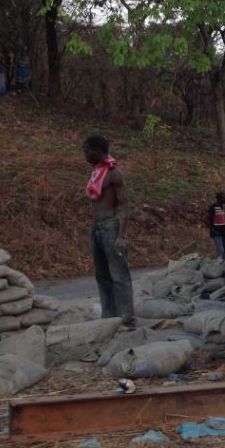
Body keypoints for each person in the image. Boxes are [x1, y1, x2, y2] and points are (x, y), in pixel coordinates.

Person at [84, 135, 134, 328]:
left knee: (119, 275)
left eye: (88, 150)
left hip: (111, 227)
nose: (85, 154)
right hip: (97, 228)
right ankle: (109, 315)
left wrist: (122, 235)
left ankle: (126, 318)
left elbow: (124, 204)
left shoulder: (114, 173)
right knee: (102, 275)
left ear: (98, 150)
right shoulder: (96, 171)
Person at [206, 191, 225, 261]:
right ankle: (217, 265)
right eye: (224, 198)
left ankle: (221, 265)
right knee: (221, 251)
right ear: (219, 199)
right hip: (216, 232)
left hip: (223, 232)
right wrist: (213, 231)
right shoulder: (213, 207)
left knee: (224, 250)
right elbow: (206, 220)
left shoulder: (222, 206)